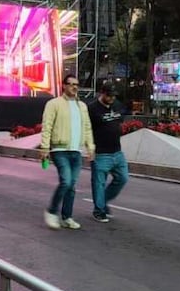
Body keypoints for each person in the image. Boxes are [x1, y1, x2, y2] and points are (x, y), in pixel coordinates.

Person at [40, 75, 95, 230]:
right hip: (60, 150)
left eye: (76, 84)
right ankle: (51, 211)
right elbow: (47, 126)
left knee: (72, 186)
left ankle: (67, 217)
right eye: (70, 84)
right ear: (63, 86)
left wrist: (90, 147)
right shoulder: (53, 104)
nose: (74, 87)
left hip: (76, 151)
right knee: (66, 182)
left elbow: (87, 127)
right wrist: (44, 147)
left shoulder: (82, 106)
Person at [87, 81, 128, 223]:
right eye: (109, 95)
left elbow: (120, 120)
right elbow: (86, 129)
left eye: (114, 96)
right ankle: (99, 210)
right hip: (100, 153)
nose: (111, 99)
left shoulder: (117, 105)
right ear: (102, 93)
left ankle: (102, 201)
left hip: (117, 151)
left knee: (123, 178)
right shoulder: (92, 109)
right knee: (99, 183)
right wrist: (89, 148)